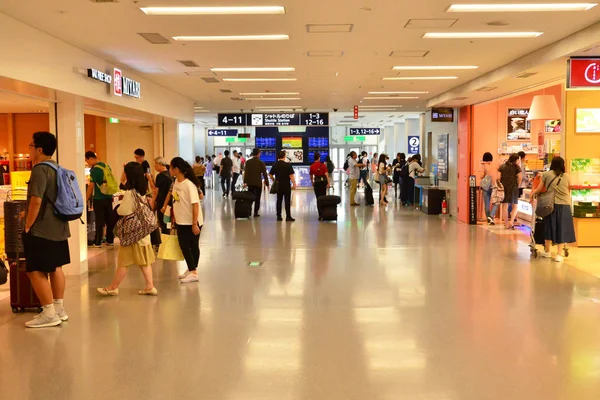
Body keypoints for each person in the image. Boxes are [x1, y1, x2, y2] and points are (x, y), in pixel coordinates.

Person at [22, 131, 71, 328]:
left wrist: (27, 225)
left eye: (31, 146)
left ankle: (48, 312)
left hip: (42, 229)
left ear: (39, 149)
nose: (30, 150)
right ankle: (59, 308)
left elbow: (36, 201)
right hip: (60, 226)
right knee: (56, 267)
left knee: (35, 270)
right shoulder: (58, 168)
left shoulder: (39, 170)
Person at [97, 162, 158, 297]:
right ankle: (150, 286)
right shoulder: (141, 190)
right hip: (142, 233)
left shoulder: (131, 193)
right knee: (144, 262)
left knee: (123, 262)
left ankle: (113, 287)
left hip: (132, 234)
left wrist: (118, 208)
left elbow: (124, 210)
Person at [529, 156, 575, 263]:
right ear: (563, 165)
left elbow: (540, 188)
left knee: (549, 226)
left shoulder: (546, 175)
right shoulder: (567, 177)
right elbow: (568, 187)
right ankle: (559, 254)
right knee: (561, 228)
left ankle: (548, 251)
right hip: (565, 205)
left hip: (550, 205)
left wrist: (533, 193)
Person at [170, 157, 204, 283]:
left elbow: (195, 204)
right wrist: (174, 218)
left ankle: (194, 272)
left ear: (176, 169)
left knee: (192, 246)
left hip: (192, 221)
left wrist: (194, 224)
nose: (169, 170)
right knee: (183, 246)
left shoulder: (189, 185)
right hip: (181, 220)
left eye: (171, 167)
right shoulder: (176, 182)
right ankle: (191, 269)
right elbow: (176, 201)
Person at [85, 151, 116, 247]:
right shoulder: (106, 166)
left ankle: (98, 241)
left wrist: (86, 198)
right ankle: (110, 240)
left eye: (87, 161)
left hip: (99, 198)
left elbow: (91, 186)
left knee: (99, 220)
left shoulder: (94, 170)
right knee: (109, 219)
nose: (87, 163)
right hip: (108, 196)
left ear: (90, 158)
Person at [269, 151, 297, 222]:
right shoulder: (288, 165)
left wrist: (275, 180)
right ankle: (288, 216)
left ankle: (279, 216)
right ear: (284, 156)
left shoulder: (275, 165)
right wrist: (294, 184)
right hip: (286, 185)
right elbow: (291, 176)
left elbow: (270, 175)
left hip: (279, 185)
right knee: (287, 201)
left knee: (279, 200)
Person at [243, 148, 270, 217]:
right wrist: (267, 184)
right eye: (260, 153)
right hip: (258, 183)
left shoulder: (248, 162)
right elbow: (264, 174)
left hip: (250, 183)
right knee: (257, 198)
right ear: (258, 154)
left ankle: (249, 211)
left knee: (250, 197)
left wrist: (245, 182)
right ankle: (255, 212)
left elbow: (246, 173)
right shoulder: (261, 162)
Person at [498, 154, 521, 229]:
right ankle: (511, 221)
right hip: (513, 188)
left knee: (505, 205)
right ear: (516, 160)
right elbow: (520, 178)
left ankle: (506, 224)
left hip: (504, 188)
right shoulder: (517, 167)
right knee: (515, 205)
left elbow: (498, 178)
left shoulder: (502, 166)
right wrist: (517, 185)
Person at [310, 152, 330, 220]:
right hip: (323, 182)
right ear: (319, 158)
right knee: (323, 197)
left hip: (317, 182)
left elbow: (311, 175)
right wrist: (328, 183)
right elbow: (326, 174)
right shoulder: (323, 165)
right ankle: (324, 213)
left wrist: (312, 182)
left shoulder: (312, 166)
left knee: (318, 198)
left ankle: (320, 214)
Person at [154, 157, 172, 233]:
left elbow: (156, 191)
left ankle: (164, 241)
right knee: (168, 223)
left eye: (155, 164)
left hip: (161, 202)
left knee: (162, 222)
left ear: (160, 164)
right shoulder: (170, 174)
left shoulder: (160, 176)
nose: (154, 166)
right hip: (169, 203)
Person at [481, 152, 499, 225]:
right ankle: (491, 216)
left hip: (486, 187)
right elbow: (498, 176)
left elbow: (481, 176)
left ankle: (489, 219)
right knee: (496, 202)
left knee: (487, 204)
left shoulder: (483, 165)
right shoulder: (495, 165)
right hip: (494, 186)